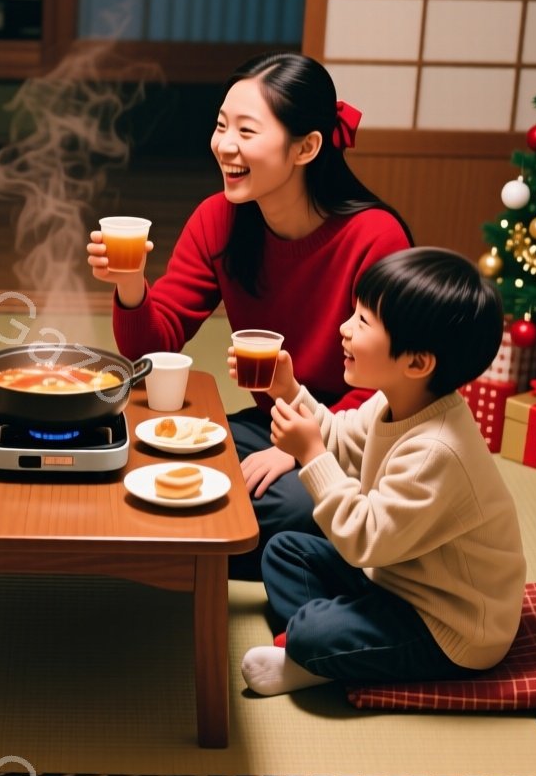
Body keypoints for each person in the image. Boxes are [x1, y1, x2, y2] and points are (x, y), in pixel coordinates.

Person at [86, 52, 412, 578]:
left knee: (295, 508)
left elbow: (395, 388)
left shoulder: (374, 239)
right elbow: (156, 343)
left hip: (358, 440)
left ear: (306, 147)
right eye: (220, 126)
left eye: (247, 130)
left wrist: (307, 445)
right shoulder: (220, 219)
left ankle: (172, 545)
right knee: (141, 442)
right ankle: (188, 541)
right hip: (271, 425)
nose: (225, 146)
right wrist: (130, 285)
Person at [236, 248, 524, 694]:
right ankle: (331, 650)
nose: (344, 329)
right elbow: (338, 435)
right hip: (394, 581)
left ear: (416, 363)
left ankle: (312, 656)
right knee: (284, 552)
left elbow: (363, 541)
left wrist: (310, 456)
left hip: (448, 624)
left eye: (363, 322)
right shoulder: (396, 400)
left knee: (314, 632)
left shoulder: (437, 450)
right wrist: (287, 389)